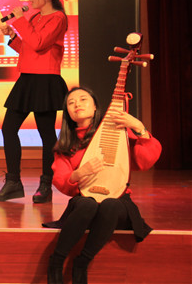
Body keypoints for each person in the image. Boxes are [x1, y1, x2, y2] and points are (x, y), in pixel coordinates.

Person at [46, 86, 161, 284]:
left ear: (95, 107)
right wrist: (79, 173)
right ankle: (56, 262)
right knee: (87, 204)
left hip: (116, 202)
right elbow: (61, 180)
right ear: (68, 113)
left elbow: (144, 162)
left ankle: (82, 262)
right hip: (84, 202)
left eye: (83, 99)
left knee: (111, 204)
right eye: (71, 102)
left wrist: (139, 128)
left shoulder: (115, 132)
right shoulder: (66, 144)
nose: (77, 104)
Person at [0, 0, 68, 203]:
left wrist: (19, 20)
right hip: (27, 79)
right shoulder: (34, 17)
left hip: (45, 80)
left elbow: (39, 43)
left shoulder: (58, 18)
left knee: (46, 134)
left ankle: (46, 184)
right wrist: (13, 36)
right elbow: (29, 48)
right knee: (8, 128)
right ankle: (13, 182)